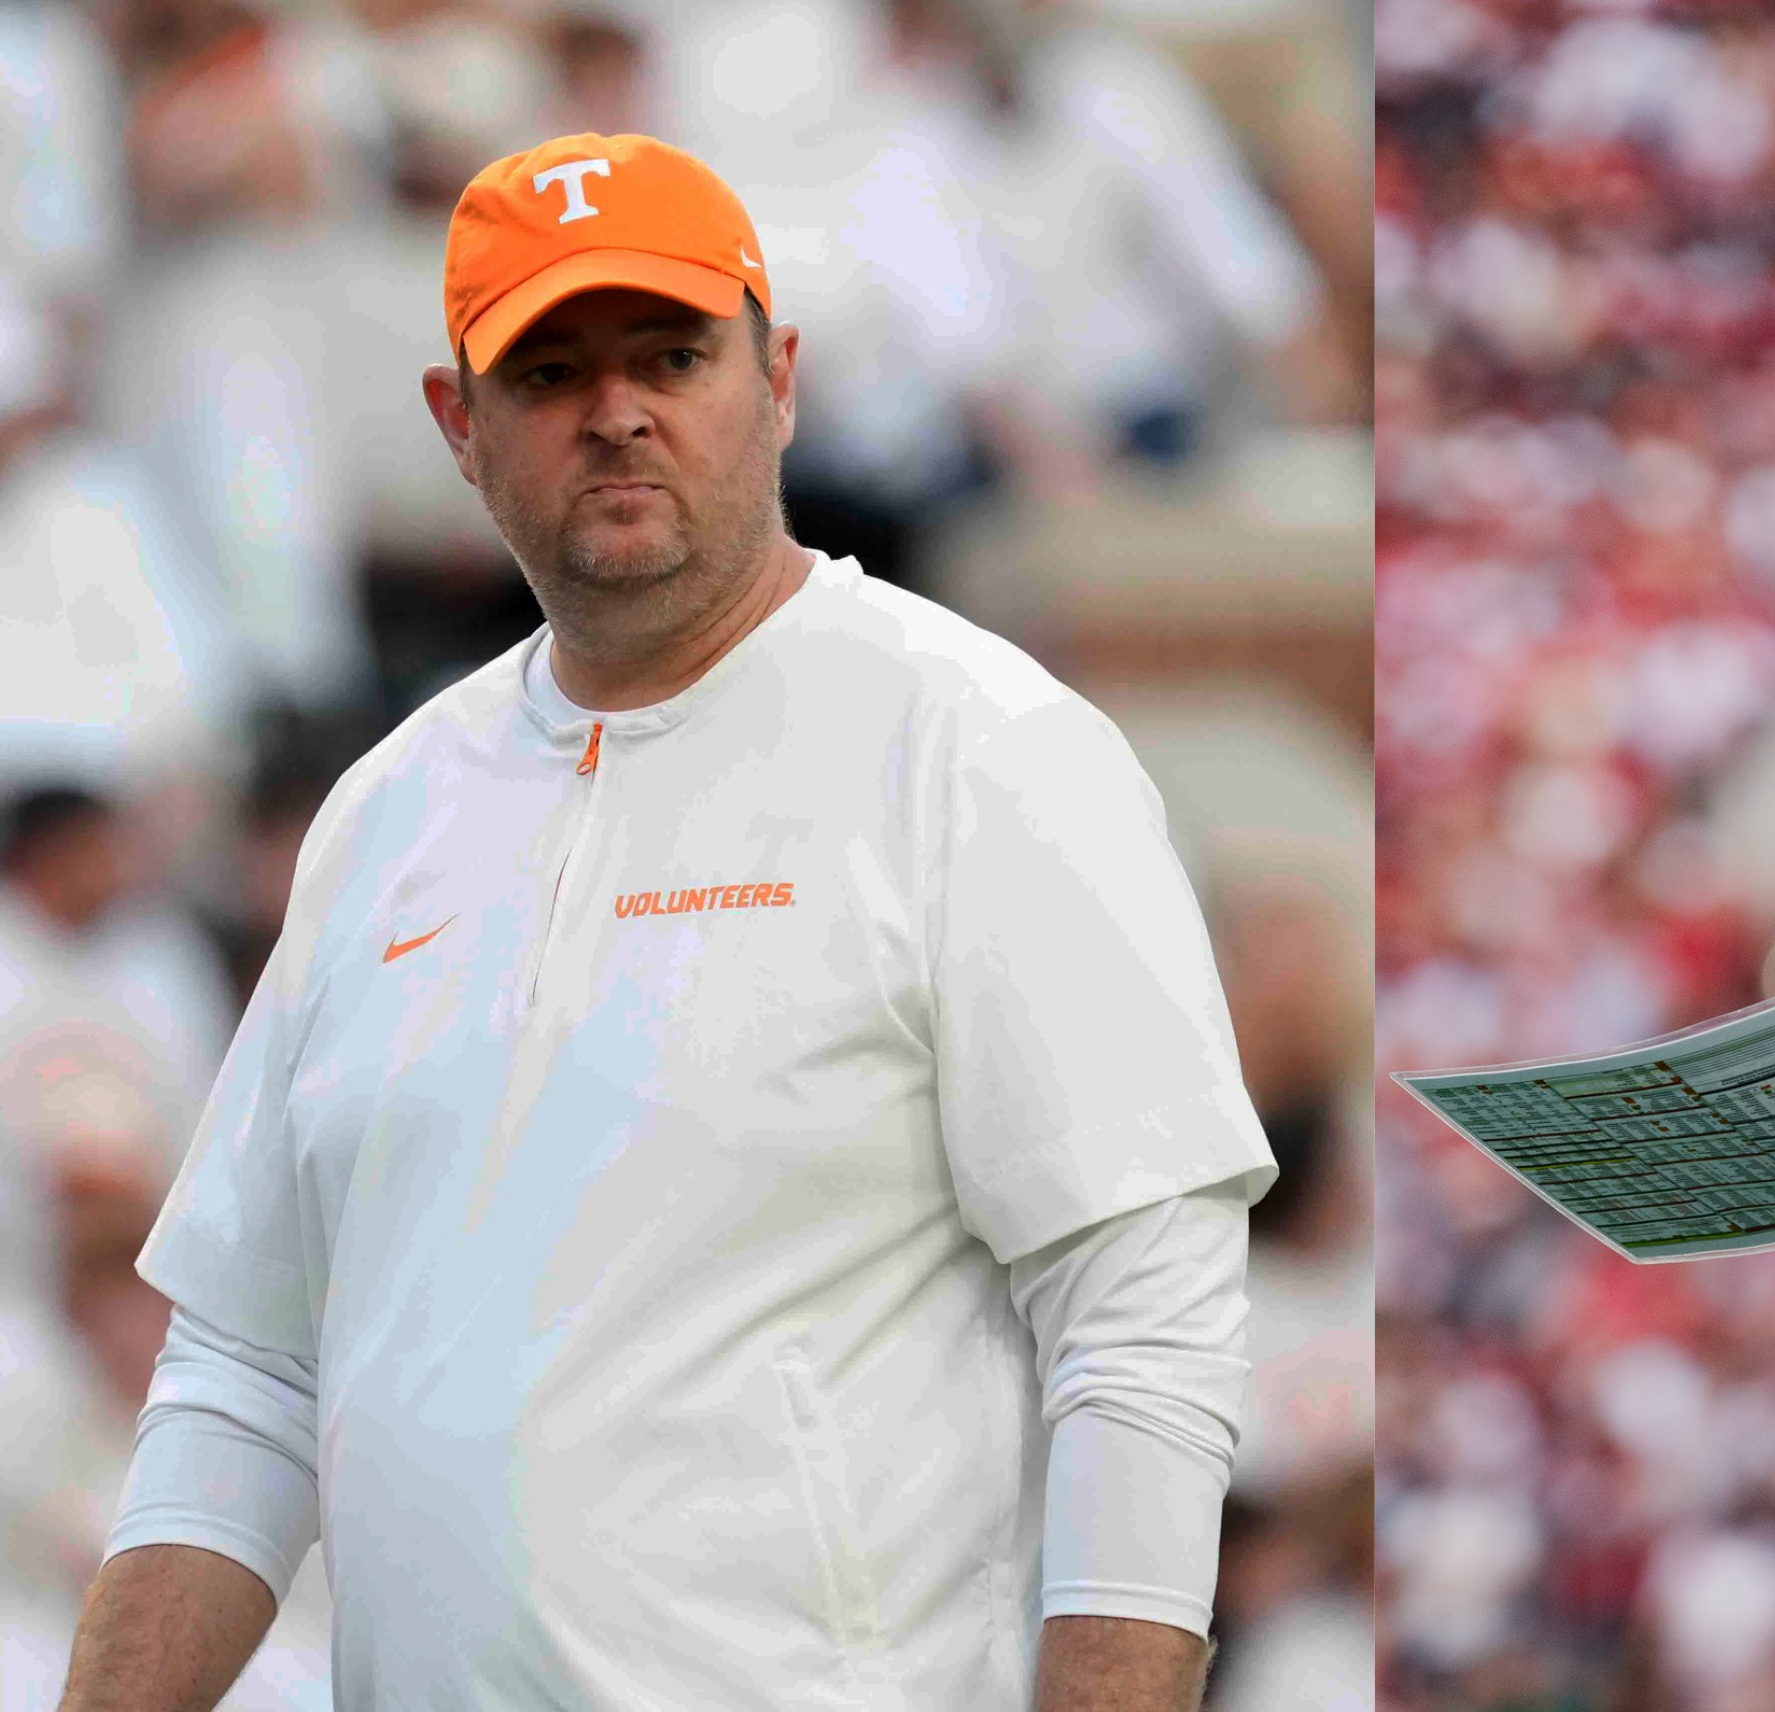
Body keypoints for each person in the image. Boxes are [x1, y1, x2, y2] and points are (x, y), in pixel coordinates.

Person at [54, 131, 1276, 1711]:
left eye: (671, 354)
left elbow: (1144, 1336)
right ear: (457, 426)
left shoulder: (978, 749)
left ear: (779, 376)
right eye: (549, 370)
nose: (616, 410)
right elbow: (244, 1373)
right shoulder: (386, 812)